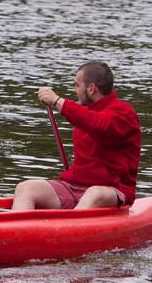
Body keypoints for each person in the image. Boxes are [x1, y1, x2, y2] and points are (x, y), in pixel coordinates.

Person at [11, 61, 141, 210]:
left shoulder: (124, 113)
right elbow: (85, 117)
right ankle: (19, 232)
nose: (75, 90)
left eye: (77, 85)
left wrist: (57, 101)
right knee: (26, 188)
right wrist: (62, 105)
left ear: (91, 88)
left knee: (94, 193)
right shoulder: (85, 111)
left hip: (112, 190)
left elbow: (99, 125)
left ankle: (66, 230)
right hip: (74, 186)